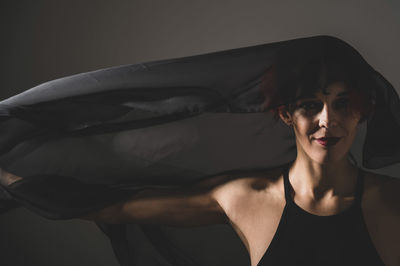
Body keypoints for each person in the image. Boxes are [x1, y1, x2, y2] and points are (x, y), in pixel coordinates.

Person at [0, 36, 399, 266]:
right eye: (311, 105)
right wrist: (10, 180)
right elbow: (112, 206)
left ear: (362, 111)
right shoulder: (243, 198)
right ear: (285, 114)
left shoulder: (393, 202)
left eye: (343, 103)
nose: (328, 120)